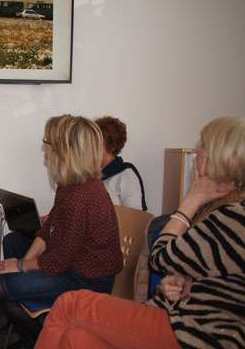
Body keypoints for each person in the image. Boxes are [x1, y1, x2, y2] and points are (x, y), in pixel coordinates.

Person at [35, 116, 245, 349]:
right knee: (76, 339)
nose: (196, 152)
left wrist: (191, 200)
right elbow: (221, 278)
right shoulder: (220, 211)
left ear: (222, 159)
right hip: (179, 315)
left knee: (70, 305)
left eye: (203, 146)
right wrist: (185, 284)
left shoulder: (234, 216)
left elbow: (161, 258)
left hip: (194, 331)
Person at [0, 115, 123, 346]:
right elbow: (48, 228)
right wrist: (24, 263)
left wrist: (20, 266)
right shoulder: (69, 184)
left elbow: (59, 260)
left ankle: (42, 339)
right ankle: (36, 322)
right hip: (72, 264)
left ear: (65, 150)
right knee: (13, 242)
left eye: (47, 141)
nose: (44, 147)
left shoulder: (81, 196)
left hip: (87, 280)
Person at [95, 116, 147, 210]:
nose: (91, 147)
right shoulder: (89, 174)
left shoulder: (126, 175)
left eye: (97, 143)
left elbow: (135, 215)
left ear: (112, 146)